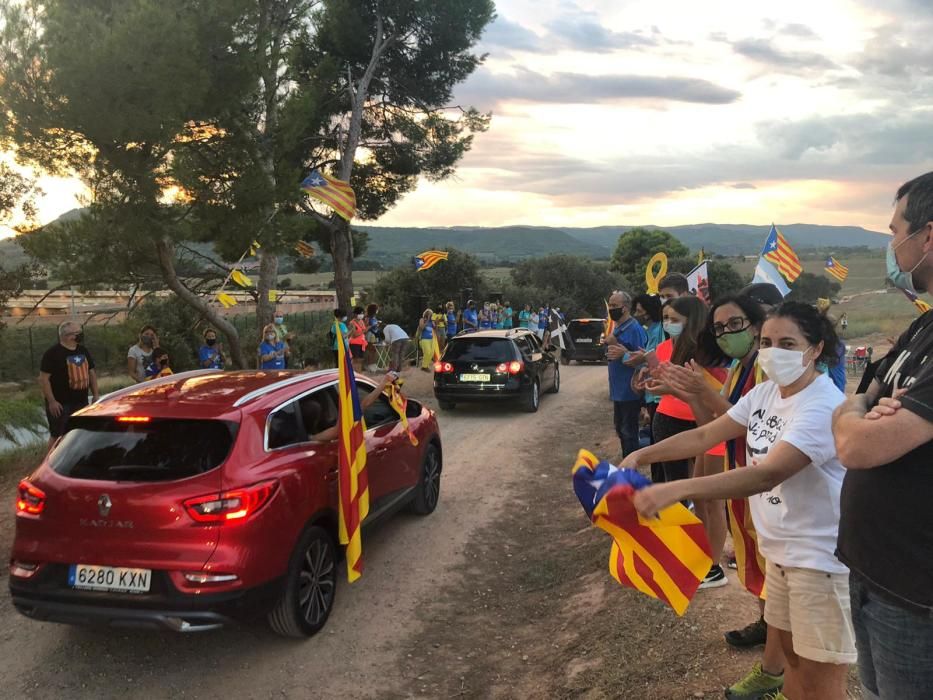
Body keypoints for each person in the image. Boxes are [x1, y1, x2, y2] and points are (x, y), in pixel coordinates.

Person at [627, 302, 854, 700]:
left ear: (815, 349)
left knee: (822, 680)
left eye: (787, 342)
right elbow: (705, 436)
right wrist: (641, 455)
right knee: (794, 661)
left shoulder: (821, 405)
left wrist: (677, 489)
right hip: (781, 553)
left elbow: (766, 474)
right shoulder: (766, 392)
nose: (772, 351)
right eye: (766, 341)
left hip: (818, 562)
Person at [832, 172, 933, 700]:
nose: (891, 245)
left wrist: (857, 415)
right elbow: (864, 394)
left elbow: (855, 444)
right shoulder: (924, 328)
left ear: (928, 237)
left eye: (895, 231)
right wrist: (864, 408)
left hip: (918, 599)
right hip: (878, 576)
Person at [661, 292, 788, 698]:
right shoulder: (738, 367)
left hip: (766, 482)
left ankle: (779, 666)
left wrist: (702, 390)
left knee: (774, 571)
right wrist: (690, 394)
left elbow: (750, 423)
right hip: (741, 471)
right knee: (756, 560)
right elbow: (714, 420)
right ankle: (767, 626)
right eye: (719, 328)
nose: (726, 333)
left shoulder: (767, 374)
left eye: (735, 324)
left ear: (756, 323)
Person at [39, 321, 99, 450]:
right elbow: (44, 379)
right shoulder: (52, 354)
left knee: (79, 432)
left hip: (81, 401)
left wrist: (95, 395)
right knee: (58, 435)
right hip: (60, 404)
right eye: (77, 333)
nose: (80, 335)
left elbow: (91, 373)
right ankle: (49, 462)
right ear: (67, 336)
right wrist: (52, 402)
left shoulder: (83, 350)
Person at [604, 291, 648, 458]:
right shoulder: (618, 328)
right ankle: (626, 467)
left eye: (615, 306)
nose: (611, 309)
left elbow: (644, 360)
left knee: (629, 432)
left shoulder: (635, 329)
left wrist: (622, 350)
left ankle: (631, 471)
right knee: (621, 431)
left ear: (626, 308)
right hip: (618, 392)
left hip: (630, 392)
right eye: (610, 305)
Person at [300, 373, 393, 442]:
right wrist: (383, 383)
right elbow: (365, 404)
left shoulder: (299, 435)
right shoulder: (314, 438)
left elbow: (365, 403)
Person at [631, 293, 665, 442]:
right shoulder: (648, 330)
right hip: (650, 392)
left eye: (639, 311)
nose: (636, 315)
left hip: (659, 394)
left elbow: (660, 359)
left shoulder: (660, 331)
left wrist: (644, 359)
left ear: (649, 311)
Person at [347, 306, 368, 373]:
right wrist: (364, 331)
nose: (362, 315)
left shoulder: (361, 321)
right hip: (354, 343)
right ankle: (354, 373)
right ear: (356, 314)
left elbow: (364, 329)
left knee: (360, 360)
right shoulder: (352, 323)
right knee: (355, 359)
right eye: (360, 313)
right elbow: (354, 335)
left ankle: (359, 372)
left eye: (362, 313)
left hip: (362, 343)